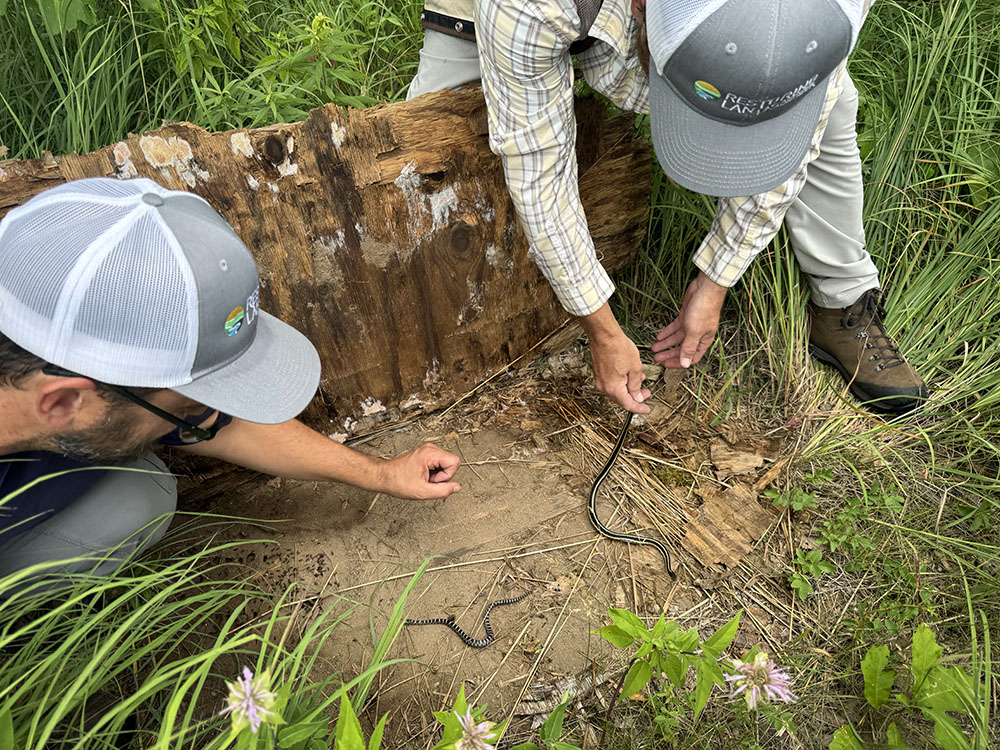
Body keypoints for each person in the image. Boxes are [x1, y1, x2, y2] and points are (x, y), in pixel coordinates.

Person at [407, 0, 927, 415]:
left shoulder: (833, 13)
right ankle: (435, 340)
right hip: (525, 12)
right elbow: (538, 173)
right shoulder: (528, 5)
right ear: (640, 9)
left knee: (831, 111)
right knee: (430, 146)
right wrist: (602, 330)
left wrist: (716, 281)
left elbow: (801, 129)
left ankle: (842, 303)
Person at [0, 177, 462, 584]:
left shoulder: (70, 385)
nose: (205, 418)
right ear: (61, 402)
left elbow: (230, 427)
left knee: (142, 494)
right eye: (184, 410)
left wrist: (380, 473)